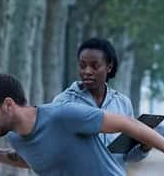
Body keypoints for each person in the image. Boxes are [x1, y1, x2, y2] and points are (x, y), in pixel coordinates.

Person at [0, 74, 164, 176]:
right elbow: (33, 159)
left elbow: (129, 124)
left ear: (8, 104)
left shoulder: (64, 115)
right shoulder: (16, 138)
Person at [52, 37, 149, 168]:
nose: (87, 71)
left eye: (95, 66)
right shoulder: (63, 102)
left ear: (109, 67)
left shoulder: (123, 103)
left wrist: (145, 147)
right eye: (82, 65)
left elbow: (126, 156)